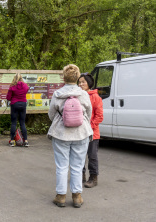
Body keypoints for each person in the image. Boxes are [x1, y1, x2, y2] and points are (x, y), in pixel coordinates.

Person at [48, 64, 93, 208]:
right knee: (77, 166)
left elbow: (51, 115)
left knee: (61, 166)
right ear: (77, 77)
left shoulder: (57, 94)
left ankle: (61, 196)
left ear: (64, 77)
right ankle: (77, 196)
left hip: (61, 134)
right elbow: (89, 113)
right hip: (81, 133)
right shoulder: (84, 94)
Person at [78, 73, 103, 188]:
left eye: (83, 82)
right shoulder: (77, 96)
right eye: (79, 82)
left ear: (89, 83)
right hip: (80, 132)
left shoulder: (95, 97)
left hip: (92, 133)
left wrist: (90, 127)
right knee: (80, 155)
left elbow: (99, 116)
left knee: (92, 156)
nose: (81, 84)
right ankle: (80, 176)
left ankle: (93, 178)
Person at [6, 73, 30, 147]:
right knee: (22, 123)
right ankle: (26, 141)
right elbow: (26, 90)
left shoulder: (12, 87)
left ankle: (12, 141)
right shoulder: (25, 86)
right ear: (21, 78)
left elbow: (8, 98)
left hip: (14, 104)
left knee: (14, 123)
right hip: (23, 104)